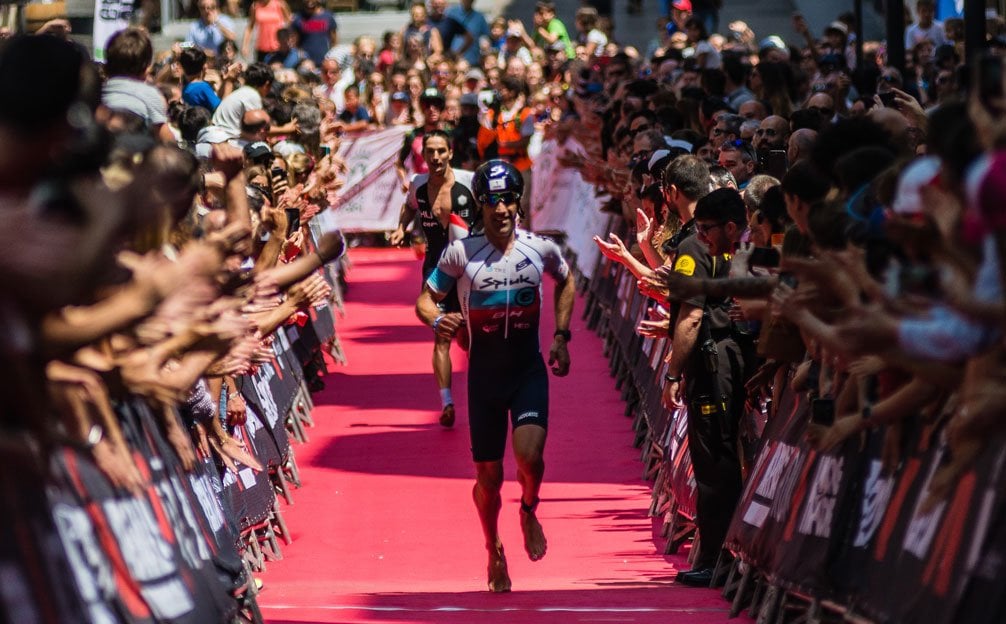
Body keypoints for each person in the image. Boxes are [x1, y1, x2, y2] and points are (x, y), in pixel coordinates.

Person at [415, 159, 575, 592]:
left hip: (527, 370)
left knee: (530, 459)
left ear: (518, 202)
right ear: (480, 207)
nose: (502, 210)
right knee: (488, 479)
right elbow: (426, 300)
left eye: (508, 201)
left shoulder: (538, 249)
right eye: (492, 203)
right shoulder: (460, 253)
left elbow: (567, 280)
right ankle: (493, 547)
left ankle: (528, 509)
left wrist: (561, 335)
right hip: (483, 377)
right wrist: (438, 322)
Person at [661, 188, 748, 587]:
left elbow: (691, 317)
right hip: (732, 361)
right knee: (725, 459)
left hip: (713, 365)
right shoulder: (734, 247)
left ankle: (718, 559)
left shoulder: (697, 250)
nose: (702, 233)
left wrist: (673, 373)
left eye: (706, 227)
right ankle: (724, 556)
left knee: (715, 463)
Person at [390, 131, 477, 426]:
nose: (436, 157)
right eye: (431, 152)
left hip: (467, 268)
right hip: (436, 266)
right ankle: (447, 402)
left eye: (441, 151)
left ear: (450, 152)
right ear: (424, 155)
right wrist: (402, 228)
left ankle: (483, 389)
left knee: (467, 339)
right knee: (441, 335)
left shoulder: (468, 182)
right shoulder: (418, 184)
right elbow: (409, 207)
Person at [395, 88, 446, 192]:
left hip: (445, 188)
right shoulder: (412, 135)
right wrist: (404, 180)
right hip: (421, 189)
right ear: (422, 109)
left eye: (436, 104)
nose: (432, 109)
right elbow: (399, 163)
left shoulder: (449, 135)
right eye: (427, 105)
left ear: (442, 108)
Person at [291, 0, 338, 66]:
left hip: (324, 62)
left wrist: (332, 56)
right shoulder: (298, 18)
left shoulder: (328, 16)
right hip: (305, 63)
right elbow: (294, 42)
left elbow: (334, 40)